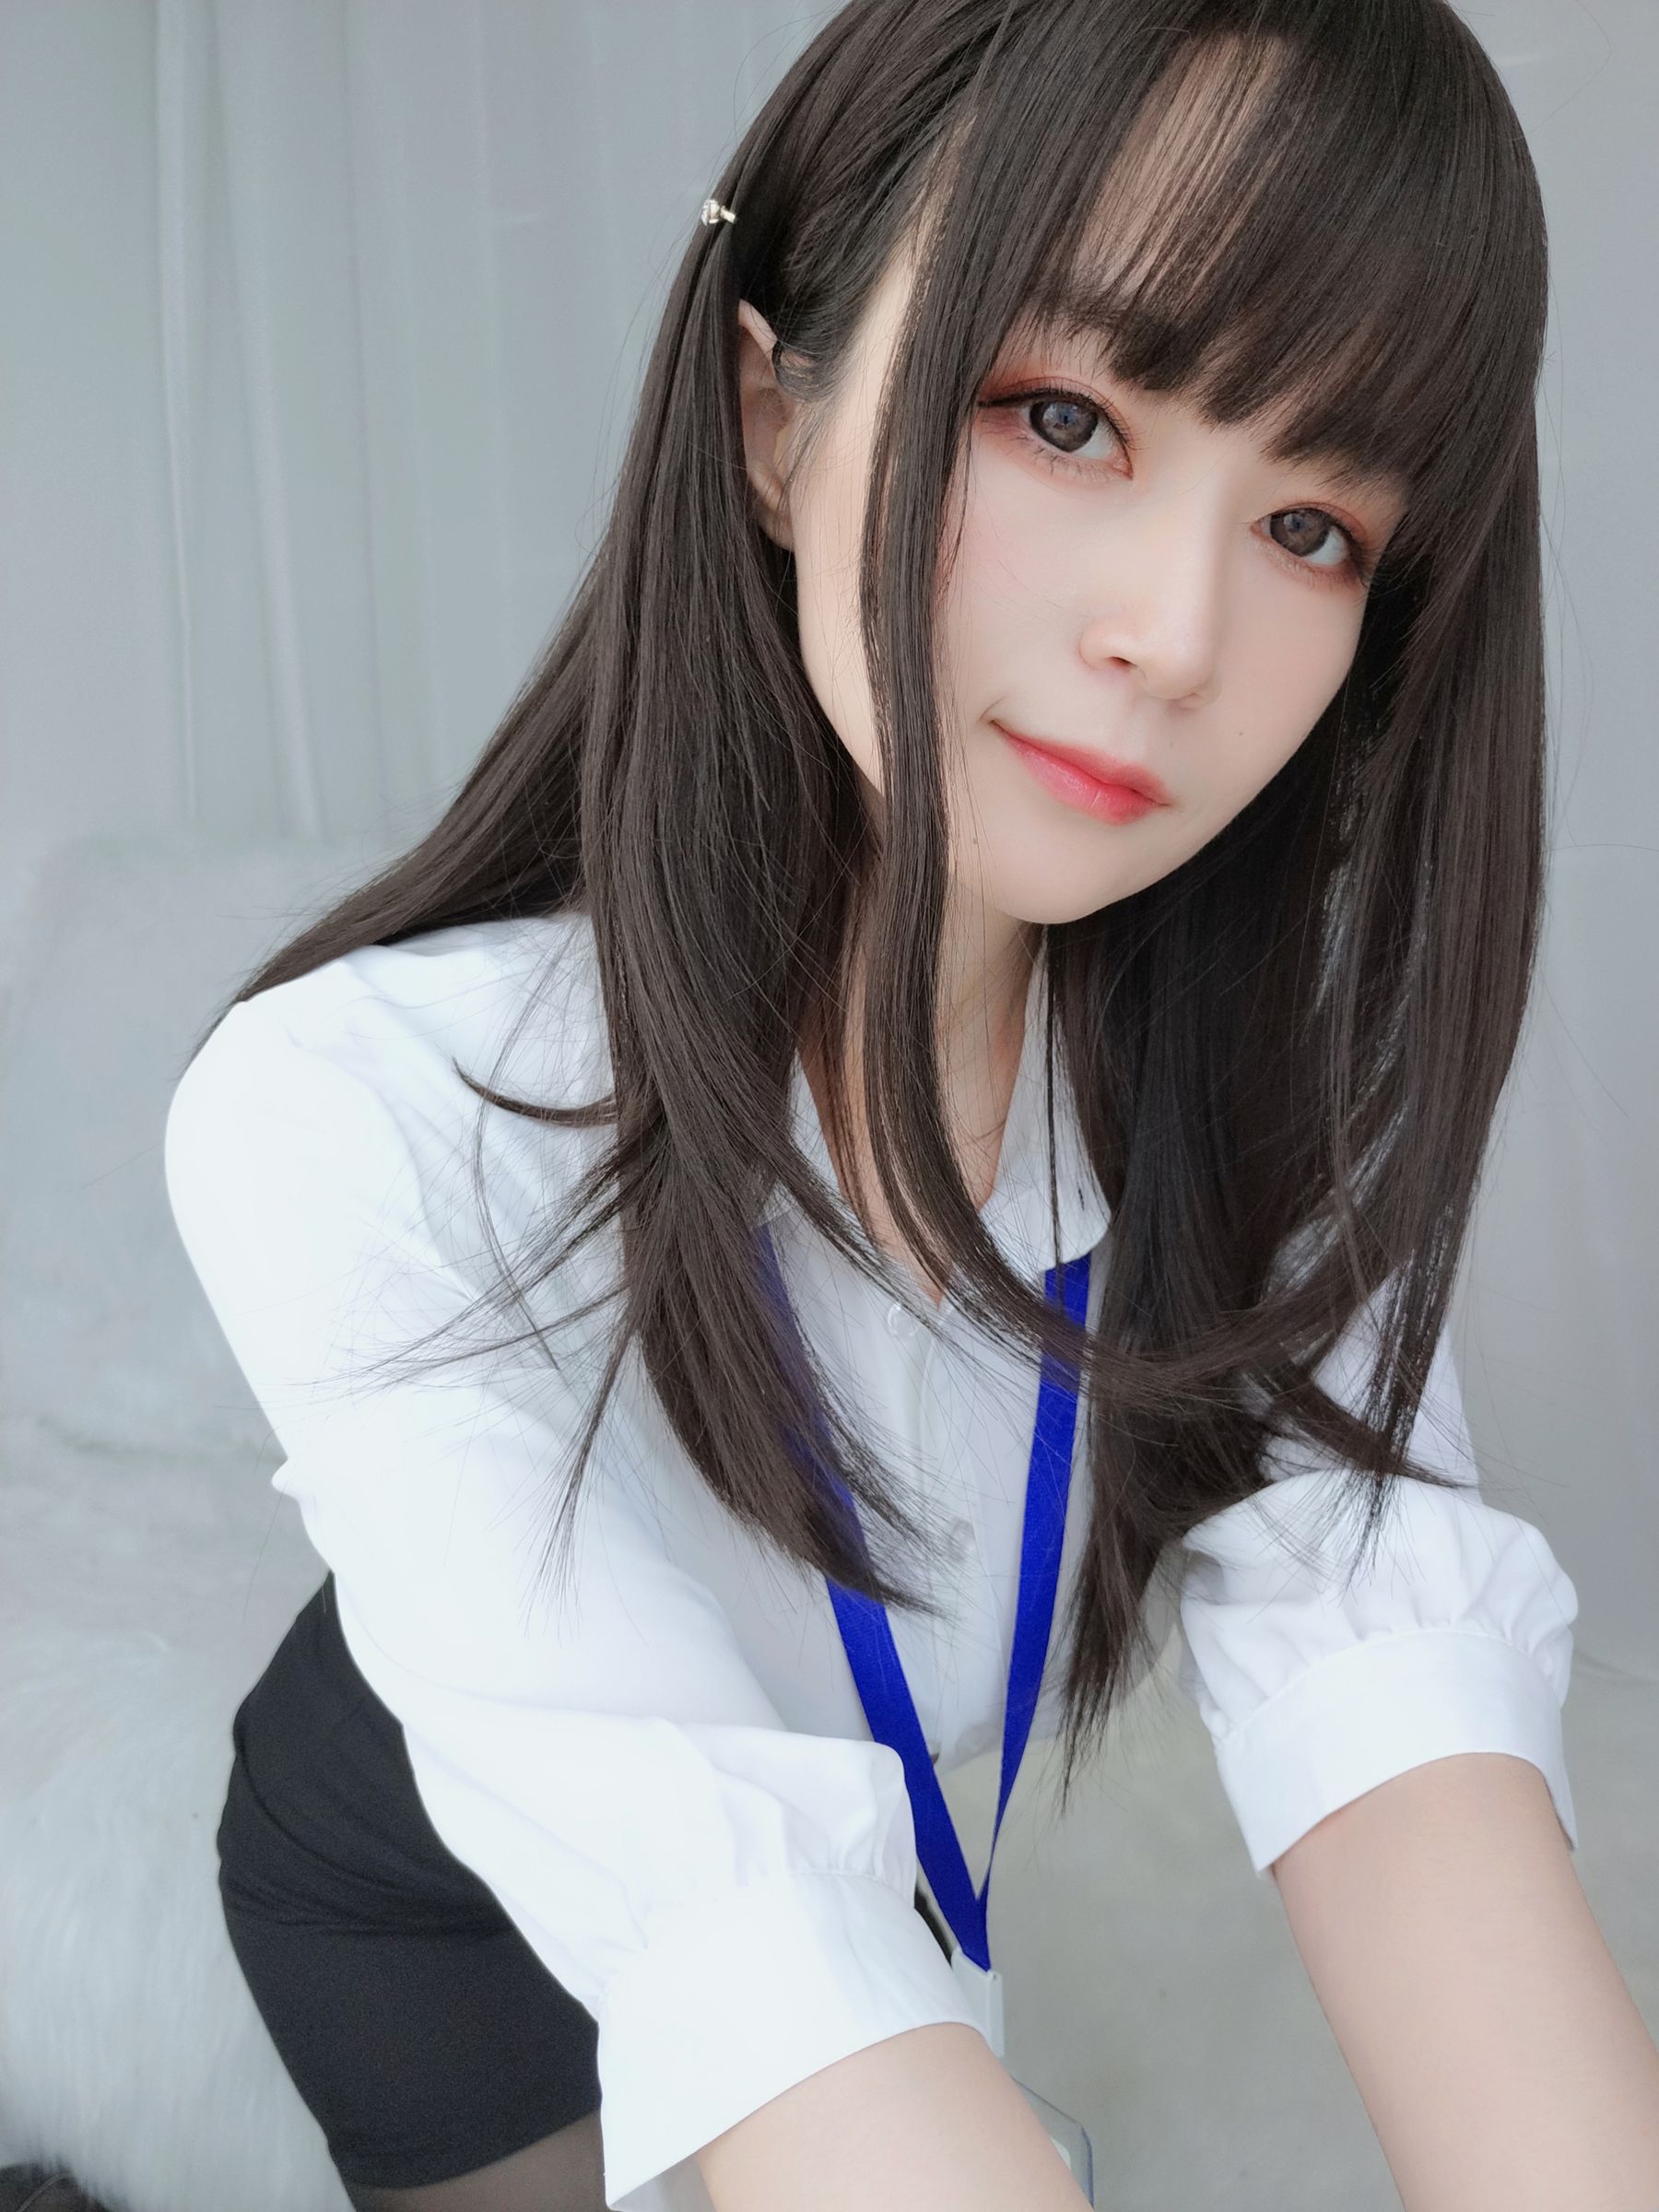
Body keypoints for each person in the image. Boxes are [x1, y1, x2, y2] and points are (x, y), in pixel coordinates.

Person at [161, 3, 1659, 2208]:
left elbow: (1405, 1707)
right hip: (428, 1893)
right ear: (776, 421)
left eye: (1315, 525)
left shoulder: (1252, 1138)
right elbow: (728, 1926)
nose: (1175, 633)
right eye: (1066, 417)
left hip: (839, 1870)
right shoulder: (367, 1111)